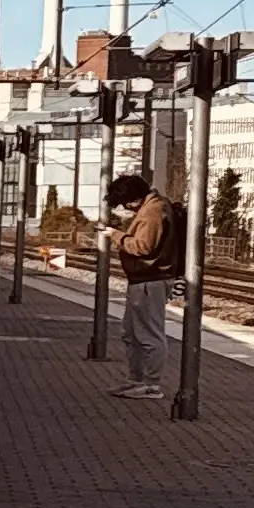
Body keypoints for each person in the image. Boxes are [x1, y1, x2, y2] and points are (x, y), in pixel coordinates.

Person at [106, 169, 185, 399]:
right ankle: (136, 380)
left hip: (151, 280)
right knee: (131, 332)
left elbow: (143, 247)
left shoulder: (152, 211)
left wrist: (115, 235)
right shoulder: (153, 207)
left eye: (125, 204)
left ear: (134, 199)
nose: (126, 209)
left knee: (149, 334)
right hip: (143, 280)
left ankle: (151, 385)